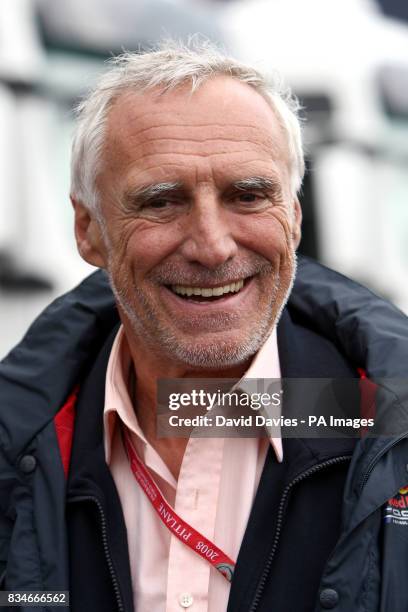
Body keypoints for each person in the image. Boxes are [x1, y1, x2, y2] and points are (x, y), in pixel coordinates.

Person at [0, 40, 407, 612]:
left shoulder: (388, 426)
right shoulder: (18, 438)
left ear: (292, 217)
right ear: (89, 229)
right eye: (162, 202)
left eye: (248, 196)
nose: (213, 247)